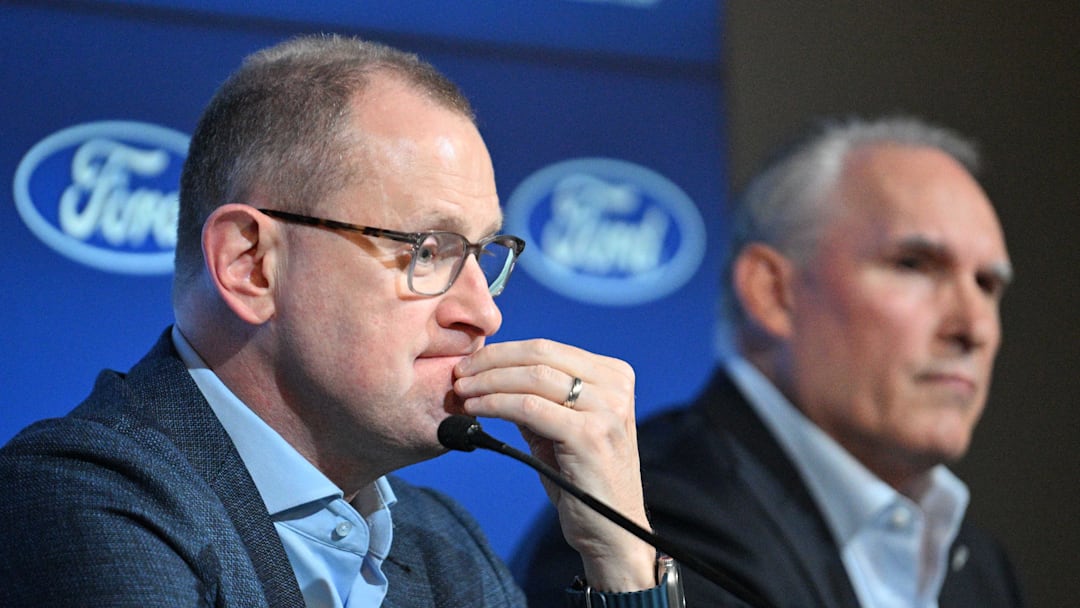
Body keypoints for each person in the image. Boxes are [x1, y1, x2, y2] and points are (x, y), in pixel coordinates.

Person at [0, 34, 670, 607]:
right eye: (428, 249)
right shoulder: (79, 498)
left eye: (484, 253)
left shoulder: (445, 547)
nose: (483, 311)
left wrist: (622, 558)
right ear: (251, 264)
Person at [513, 116, 1026, 607]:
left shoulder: (976, 564)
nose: (973, 328)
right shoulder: (650, 523)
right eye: (913, 265)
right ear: (773, 292)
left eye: (988, 285)